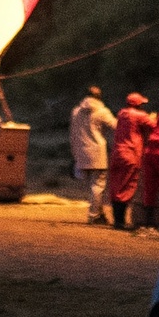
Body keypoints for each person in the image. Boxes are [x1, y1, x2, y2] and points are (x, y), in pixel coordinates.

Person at [71, 85, 116, 223]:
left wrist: (74, 153)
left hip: (81, 151)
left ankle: (98, 212)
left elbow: (73, 133)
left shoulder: (76, 111)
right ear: (99, 97)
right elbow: (115, 126)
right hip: (97, 152)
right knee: (98, 185)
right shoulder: (102, 111)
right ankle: (94, 215)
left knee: (92, 186)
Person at [108, 94, 152, 232]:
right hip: (131, 154)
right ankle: (121, 221)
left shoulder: (122, 114)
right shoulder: (140, 115)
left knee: (116, 186)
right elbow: (154, 125)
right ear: (138, 104)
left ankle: (117, 220)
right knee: (128, 186)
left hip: (117, 153)